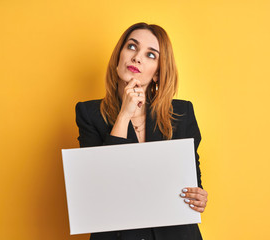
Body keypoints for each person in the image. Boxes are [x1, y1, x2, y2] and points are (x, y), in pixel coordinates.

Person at [75, 22, 208, 240]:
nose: (137, 57)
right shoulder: (89, 114)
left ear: (157, 74)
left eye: (151, 55)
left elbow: (192, 184)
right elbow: (99, 187)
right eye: (131, 47)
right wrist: (124, 114)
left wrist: (199, 197)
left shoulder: (182, 113)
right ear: (119, 57)